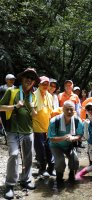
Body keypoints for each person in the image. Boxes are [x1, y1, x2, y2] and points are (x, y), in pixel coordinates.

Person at [0, 68, 39, 199]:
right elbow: (0, 107)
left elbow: (34, 113)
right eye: (27, 77)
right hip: (13, 130)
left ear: (34, 82)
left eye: (32, 78)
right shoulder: (12, 91)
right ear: (22, 78)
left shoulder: (33, 95)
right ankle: (10, 185)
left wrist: (34, 111)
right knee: (14, 154)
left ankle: (25, 180)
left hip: (28, 130)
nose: (29, 79)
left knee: (28, 157)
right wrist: (14, 107)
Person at [48, 100, 84, 188]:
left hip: (69, 145)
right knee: (60, 161)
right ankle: (59, 179)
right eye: (66, 109)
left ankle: (71, 177)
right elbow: (51, 139)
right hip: (56, 146)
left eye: (71, 109)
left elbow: (80, 135)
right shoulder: (54, 121)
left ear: (74, 110)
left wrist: (74, 138)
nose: (69, 111)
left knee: (75, 160)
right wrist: (65, 137)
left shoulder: (77, 120)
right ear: (62, 109)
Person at [32, 76, 55, 177]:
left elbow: (51, 111)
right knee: (40, 149)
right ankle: (42, 169)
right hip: (37, 128)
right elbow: (31, 110)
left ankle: (51, 168)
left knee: (50, 148)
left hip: (48, 127)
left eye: (47, 84)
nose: (45, 86)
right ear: (39, 84)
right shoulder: (33, 95)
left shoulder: (49, 96)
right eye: (43, 84)